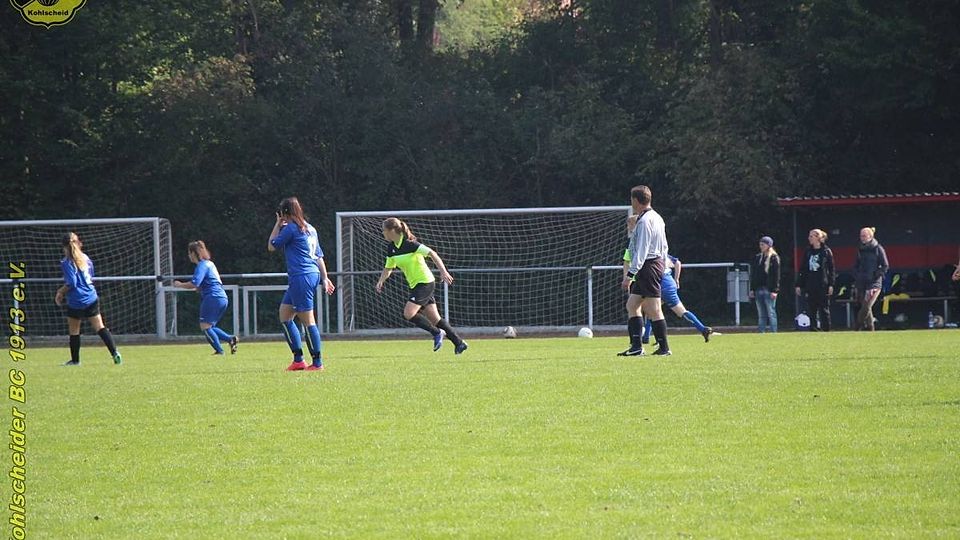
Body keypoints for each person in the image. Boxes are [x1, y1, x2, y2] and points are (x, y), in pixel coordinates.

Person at [375, 218, 468, 354]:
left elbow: (432, 253)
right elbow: (388, 268)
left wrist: (443, 272)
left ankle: (437, 333)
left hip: (425, 282)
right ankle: (459, 343)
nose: (382, 233)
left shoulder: (410, 244)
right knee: (435, 319)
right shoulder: (392, 248)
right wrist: (381, 281)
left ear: (392, 230)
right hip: (415, 285)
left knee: (408, 313)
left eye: (384, 230)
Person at [268, 197, 335, 371]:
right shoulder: (310, 228)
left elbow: (271, 246)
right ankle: (298, 360)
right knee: (285, 315)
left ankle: (317, 362)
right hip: (310, 274)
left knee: (308, 320)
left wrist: (277, 225)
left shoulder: (291, 228)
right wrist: (324, 277)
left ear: (284, 213)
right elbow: (318, 256)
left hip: (301, 276)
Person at [54, 232, 122, 366]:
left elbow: (72, 283)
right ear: (79, 243)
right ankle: (115, 353)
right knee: (100, 327)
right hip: (91, 297)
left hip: (76, 300)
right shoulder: (85, 258)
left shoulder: (66, 262)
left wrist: (60, 292)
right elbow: (91, 275)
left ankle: (75, 361)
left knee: (74, 330)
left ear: (64, 247)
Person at [619, 185, 670, 356]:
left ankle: (664, 348)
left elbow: (641, 250)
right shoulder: (656, 217)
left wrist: (630, 275)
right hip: (652, 265)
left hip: (649, 266)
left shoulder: (645, 221)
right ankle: (636, 347)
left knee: (654, 309)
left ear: (636, 200)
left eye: (631, 199)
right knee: (632, 305)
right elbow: (664, 246)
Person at [173, 240, 238, 355]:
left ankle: (219, 351)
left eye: (189, 253)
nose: (188, 255)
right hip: (221, 297)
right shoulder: (210, 264)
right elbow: (207, 282)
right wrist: (200, 288)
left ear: (194, 253)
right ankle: (230, 339)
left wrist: (179, 284)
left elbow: (195, 283)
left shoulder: (201, 266)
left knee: (205, 327)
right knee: (210, 326)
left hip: (212, 297)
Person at [638, 255, 715, 343]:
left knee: (652, 310)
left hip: (660, 283)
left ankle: (647, 337)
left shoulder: (650, 254)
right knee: (655, 310)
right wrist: (676, 279)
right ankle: (702, 329)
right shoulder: (662, 253)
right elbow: (677, 262)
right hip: (669, 282)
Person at [795, 228, 836, 331]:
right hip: (810, 283)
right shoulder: (808, 251)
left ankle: (826, 329)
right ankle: (813, 328)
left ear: (818, 238)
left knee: (824, 308)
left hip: (822, 284)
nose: (809, 238)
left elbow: (831, 269)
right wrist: (799, 284)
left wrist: (831, 284)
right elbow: (803, 268)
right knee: (811, 308)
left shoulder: (826, 251)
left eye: (811, 236)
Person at [853, 227, 889, 331]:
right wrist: (857, 275)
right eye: (861, 236)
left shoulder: (878, 248)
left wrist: (876, 275)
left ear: (870, 236)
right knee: (866, 307)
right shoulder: (860, 249)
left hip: (874, 283)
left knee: (866, 306)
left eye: (864, 236)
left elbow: (885, 265)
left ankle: (857, 327)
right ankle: (870, 329)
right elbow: (856, 265)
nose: (862, 238)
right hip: (861, 282)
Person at [749, 236, 780, 333]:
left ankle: (773, 331)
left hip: (769, 289)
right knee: (761, 313)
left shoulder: (774, 258)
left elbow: (776, 275)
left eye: (763, 244)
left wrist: (775, 290)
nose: (761, 246)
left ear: (769, 245)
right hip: (758, 288)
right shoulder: (758, 257)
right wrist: (752, 289)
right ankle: (761, 331)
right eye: (760, 244)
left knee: (771, 312)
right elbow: (754, 274)